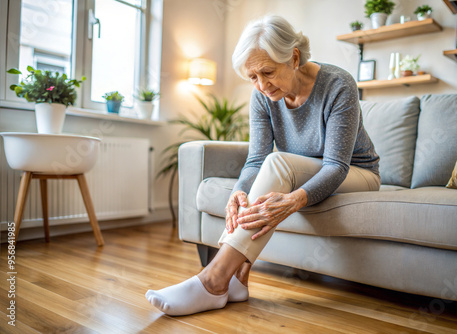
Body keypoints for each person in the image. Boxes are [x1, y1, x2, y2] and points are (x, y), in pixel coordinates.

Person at [145, 15, 380, 316]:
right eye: (252, 77)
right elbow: (256, 159)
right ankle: (237, 279)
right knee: (272, 163)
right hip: (302, 169)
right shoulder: (262, 95)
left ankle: (214, 280)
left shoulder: (338, 84)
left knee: (278, 161)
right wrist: (239, 192)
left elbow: (335, 166)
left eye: (268, 72)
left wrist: (294, 200)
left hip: (358, 173)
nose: (261, 85)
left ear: (293, 57)